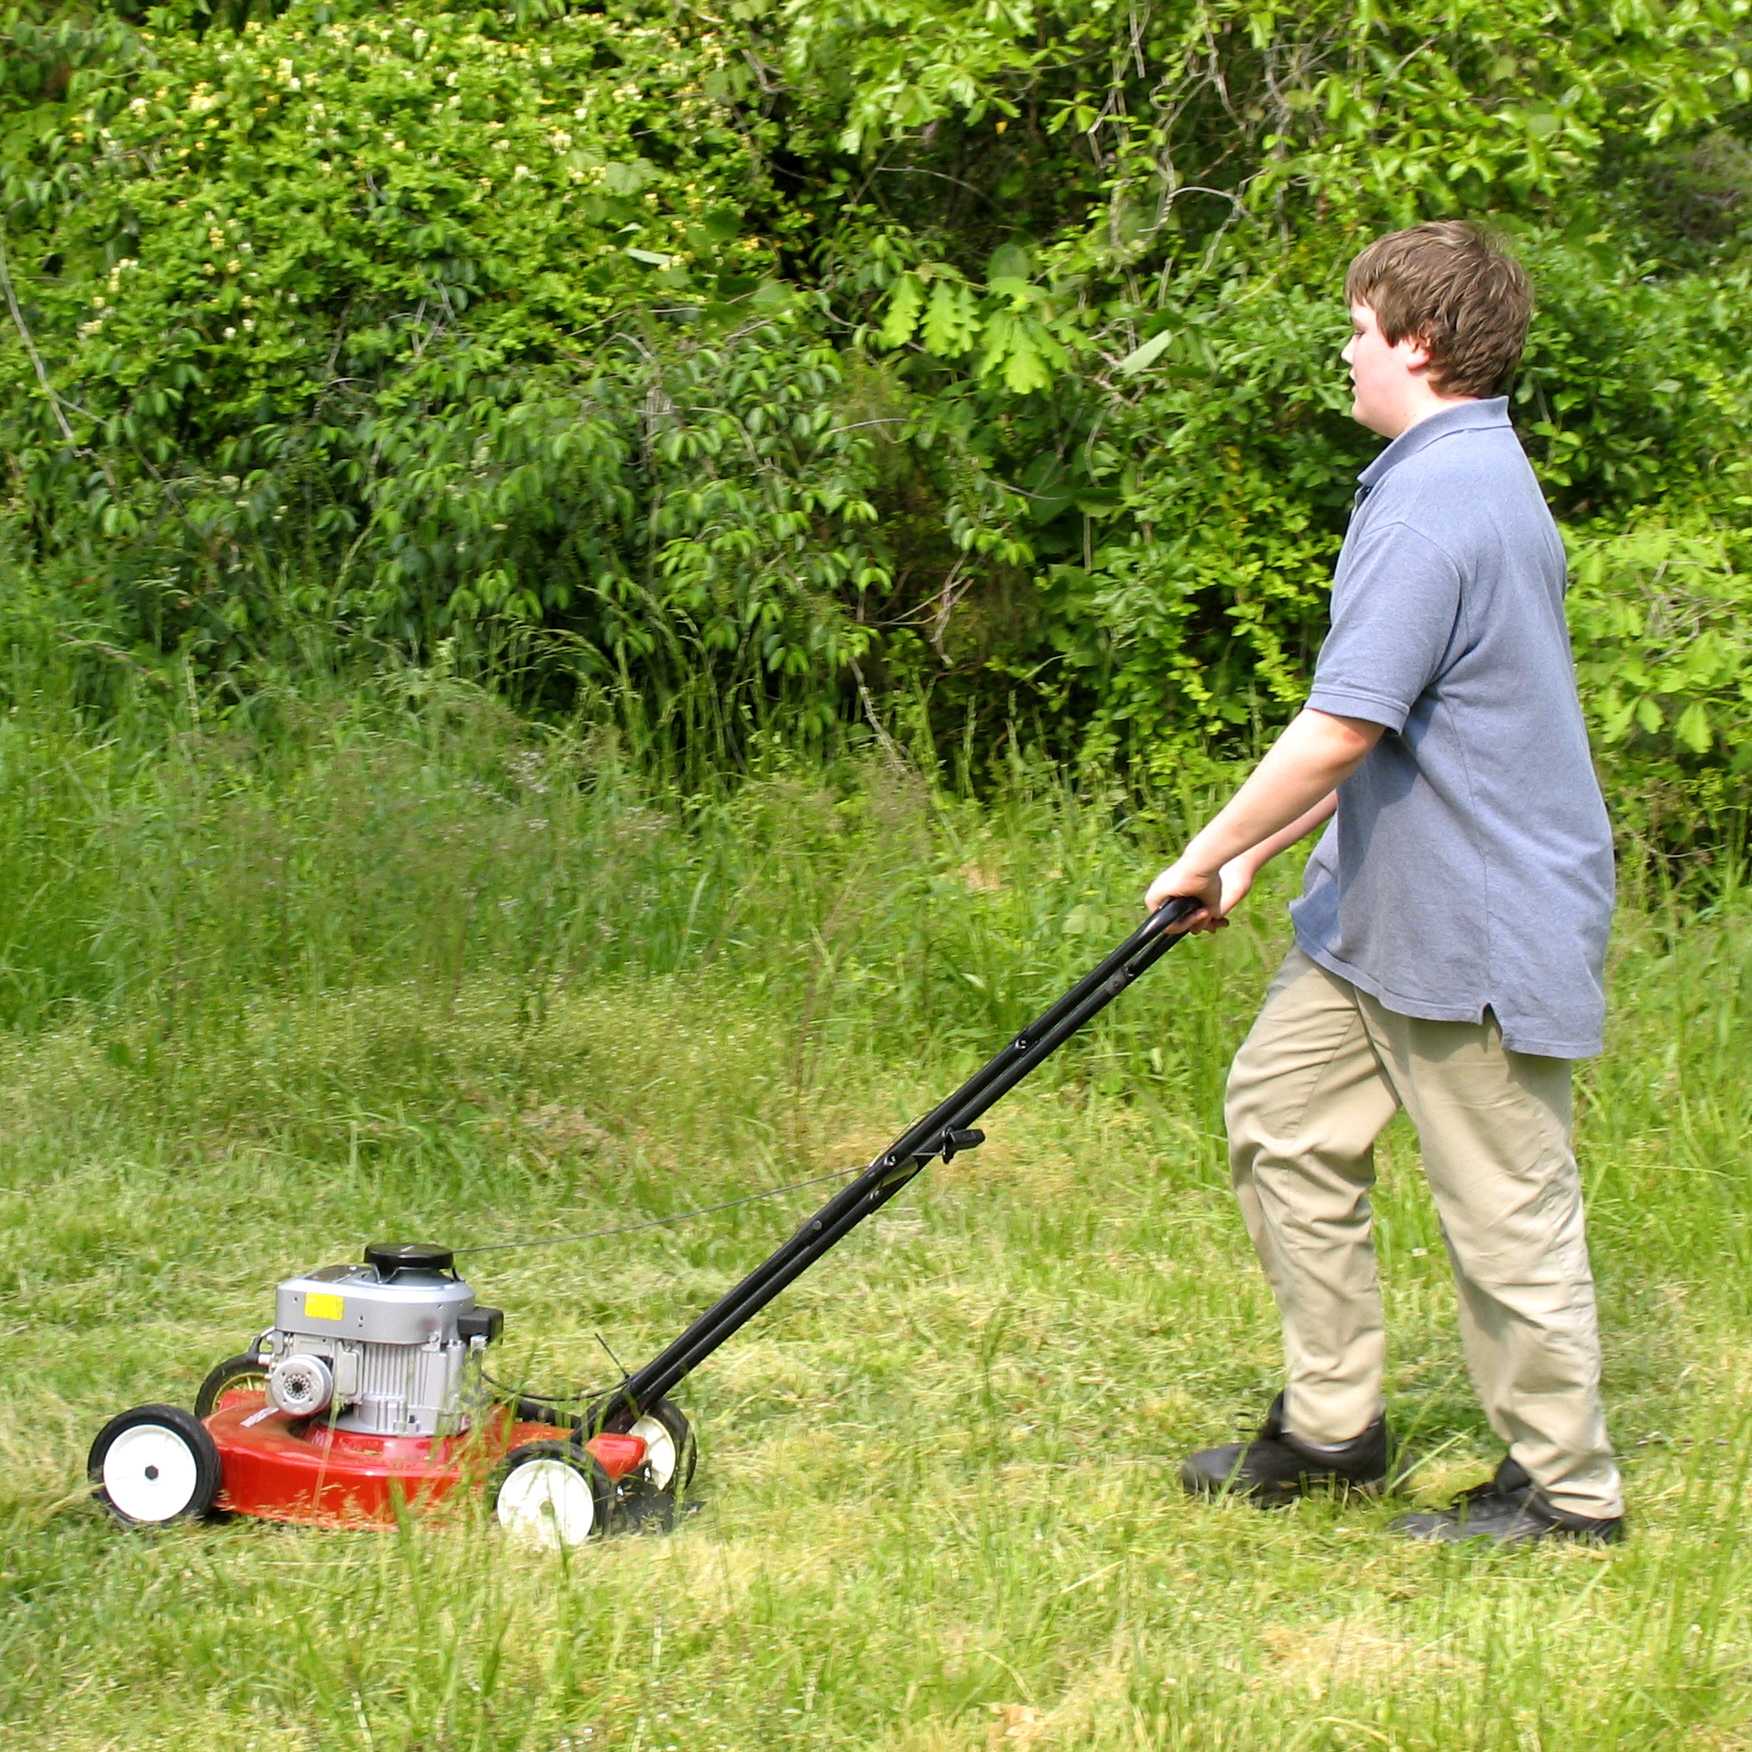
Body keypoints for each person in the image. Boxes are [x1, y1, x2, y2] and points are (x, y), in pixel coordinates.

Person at [1146, 220, 1623, 1544]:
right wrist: (1249, 857)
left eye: (1359, 328)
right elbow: (1398, 727)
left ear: (1417, 342)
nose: (1346, 352)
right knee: (1283, 1119)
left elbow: (1343, 727)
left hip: (1476, 926)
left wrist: (1202, 848)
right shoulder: (1445, 473)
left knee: (1503, 1208)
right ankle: (1335, 1429)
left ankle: (1567, 1498)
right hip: (1378, 920)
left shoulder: (1443, 498)